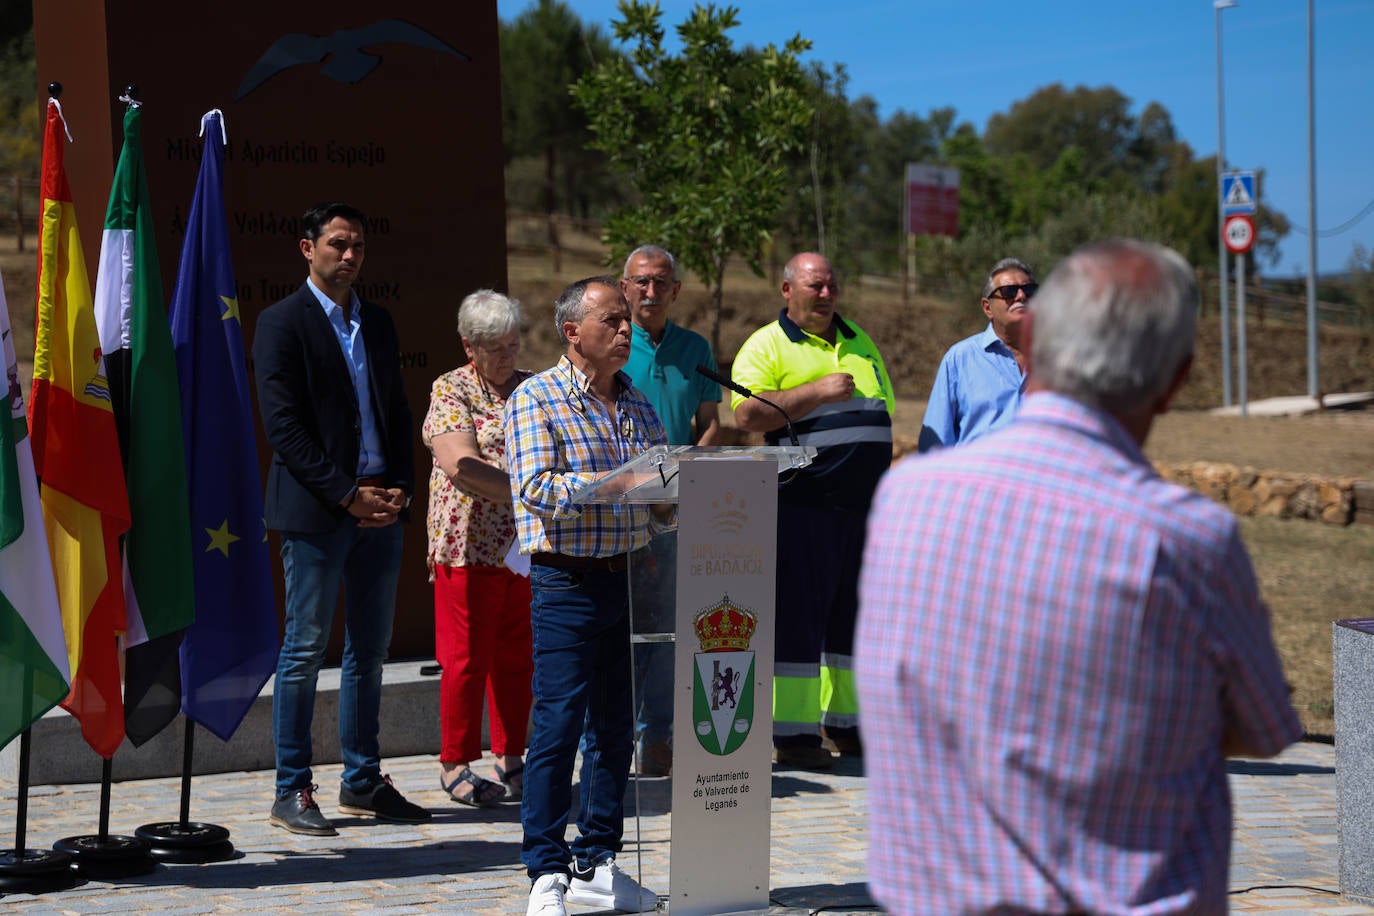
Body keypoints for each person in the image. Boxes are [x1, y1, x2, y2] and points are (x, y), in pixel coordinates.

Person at [856, 239, 1302, 915]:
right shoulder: (1189, 539)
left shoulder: (904, 501)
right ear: (1176, 381)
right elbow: (1265, 727)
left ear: (1039, 344)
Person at [253, 201, 429, 836]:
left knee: (370, 652)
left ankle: (362, 779)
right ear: (307, 248)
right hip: (320, 511)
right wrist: (347, 494)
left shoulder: (376, 322)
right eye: (336, 244)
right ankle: (291, 789)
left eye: (357, 245)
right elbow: (285, 430)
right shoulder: (282, 323)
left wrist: (401, 489)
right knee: (303, 651)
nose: (349, 255)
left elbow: (397, 412)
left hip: (382, 509)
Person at [506, 276, 671, 916]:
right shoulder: (536, 398)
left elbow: (655, 496)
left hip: (627, 578)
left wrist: (680, 498)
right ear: (572, 332)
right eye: (613, 320)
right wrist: (618, 483)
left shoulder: (638, 403)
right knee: (557, 726)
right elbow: (537, 488)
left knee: (612, 730)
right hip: (566, 583)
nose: (627, 330)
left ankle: (596, 861)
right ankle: (544, 871)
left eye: (628, 320)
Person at [730, 252, 894, 770]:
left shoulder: (859, 339)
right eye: (814, 287)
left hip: (864, 508)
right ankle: (796, 736)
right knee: (801, 618)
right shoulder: (768, 343)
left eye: (831, 287)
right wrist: (815, 391)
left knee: (854, 618)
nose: (825, 295)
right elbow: (747, 412)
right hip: (805, 506)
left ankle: (849, 724)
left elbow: (880, 411)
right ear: (787, 290)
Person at [422, 289, 533, 807]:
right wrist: (535, 487)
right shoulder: (452, 389)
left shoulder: (534, 388)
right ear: (470, 347)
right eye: (495, 348)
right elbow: (459, 464)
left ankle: (513, 759)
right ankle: (454, 762)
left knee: (517, 656)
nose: (508, 356)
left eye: (513, 343)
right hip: (466, 544)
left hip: (523, 547)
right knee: (465, 659)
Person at [619, 244, 720, 777]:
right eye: (641, 282)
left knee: (670, 629)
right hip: (619, 511)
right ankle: (607, 742)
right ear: (624, 285)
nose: (651, 292)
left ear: (676, 290)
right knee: (623, 632)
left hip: (677, 511)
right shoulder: (609, 344)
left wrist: (689, 475)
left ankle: (657, 739)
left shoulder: (695, 348)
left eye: (661, 283)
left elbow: (709, 423)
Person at [918, 256, 1036, 451]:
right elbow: (935, 442)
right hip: (977, 480)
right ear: (987, 308)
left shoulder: (1056, 358)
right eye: (1009, 291)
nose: (1021, 296)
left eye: (1029, 290)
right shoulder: (960, 359)